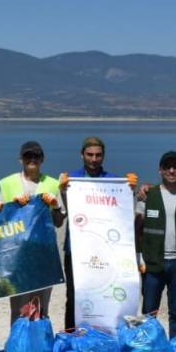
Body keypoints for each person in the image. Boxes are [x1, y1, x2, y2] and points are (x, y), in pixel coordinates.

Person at [56, 136, 135, 329]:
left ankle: (107, 334)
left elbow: (123, 213)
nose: (94, 159)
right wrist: (62, 191)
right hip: (76, 250)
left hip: (106, 250)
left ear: (103, 156)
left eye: (98, 155)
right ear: (81, 155)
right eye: (90, 155)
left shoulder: (115, 181)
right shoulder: (70, 179)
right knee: (75, 295)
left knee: (105, 294)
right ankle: (71, 337)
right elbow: (61, 213)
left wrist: (131, 189)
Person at [0, 141, 65, 325]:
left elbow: (59, 222)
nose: (32, 160)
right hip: (17, 257)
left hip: (43, 256)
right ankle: (18, 348)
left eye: (36, 156)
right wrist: (11, 208)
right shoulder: (8, 183)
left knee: (41, 307)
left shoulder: (52, 184)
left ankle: (39, 348)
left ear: (42, 159)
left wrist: (56, 206)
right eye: (28, 156)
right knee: (18, 308)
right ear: (21, 159)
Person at [134, 151, 176, 338]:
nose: (172, 171)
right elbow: (137, 228)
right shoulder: (148, 195)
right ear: (160, 170)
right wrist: (138, 255)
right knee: (149, 311)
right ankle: (149, 349)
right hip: (153, 263)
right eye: (167, 167)